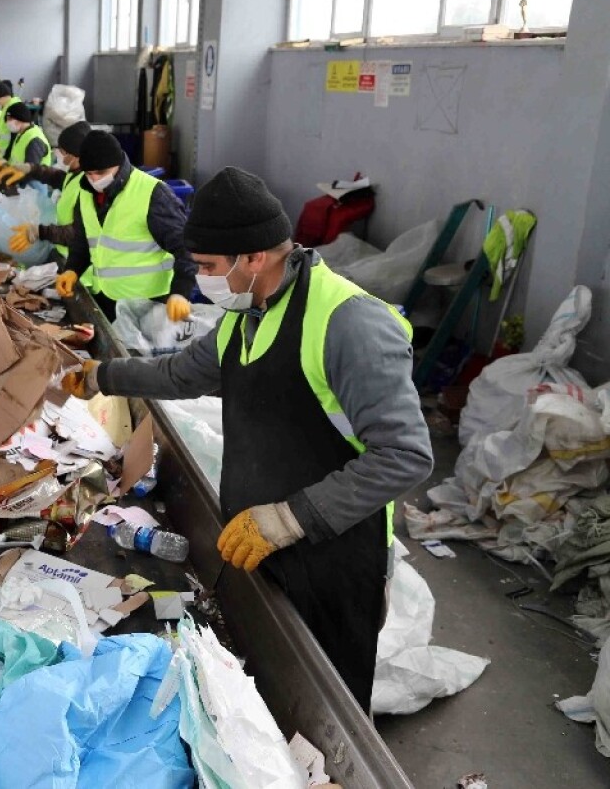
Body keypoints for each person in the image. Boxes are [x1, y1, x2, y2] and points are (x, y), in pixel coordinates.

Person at [62, 167, 434, 712]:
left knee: (327, 704)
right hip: (260, 540)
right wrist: (102, 376)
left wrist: (289, 518)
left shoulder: (348, 324)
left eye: (210, 267)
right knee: (270, 696)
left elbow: (406, 456)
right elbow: (180, 375)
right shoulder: (249, 312)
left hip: (329, 556)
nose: (205, 279)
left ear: (254, 257)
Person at [46, 130, 196, 321]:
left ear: (118, 164)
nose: (94, 180)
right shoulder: (85, 192)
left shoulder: (152, 194)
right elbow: (83, 241)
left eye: (101, 173)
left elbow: (186, 248)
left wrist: (180, 291)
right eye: (89, 173)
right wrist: (72, 269)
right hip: (107, 298)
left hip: (149, 304)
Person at [6, 120, 92, 261]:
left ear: (76, 155)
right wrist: (31, 169)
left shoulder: (88, 185)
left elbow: (79, 233)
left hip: (78, 267)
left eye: (62, 152)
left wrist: (40, 232)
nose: (57, 154)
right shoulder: (76, 173)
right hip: (64, 253)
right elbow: (58, 178)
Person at [0, 81, 23, 153]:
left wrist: (6, 156)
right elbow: (1, 128)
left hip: (7, 154)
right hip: (1, 152)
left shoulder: (14, 108)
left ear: (3, 96)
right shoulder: (6, 107)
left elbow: (14, 136)